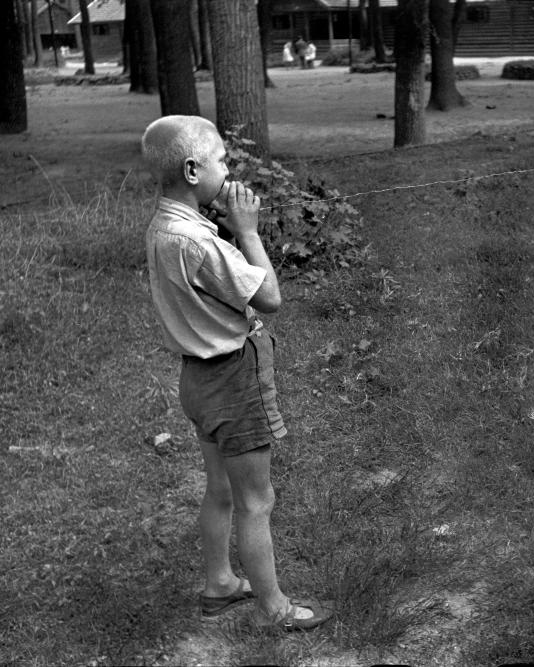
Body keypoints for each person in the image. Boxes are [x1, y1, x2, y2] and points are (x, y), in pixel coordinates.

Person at [141, 115, 333, 631]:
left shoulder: (165, 227)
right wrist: (247, 233)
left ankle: (220, 584)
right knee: (256, 500)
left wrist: (227, 229)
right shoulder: (202, 244)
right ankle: (275, 609)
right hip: (232, 380)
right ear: (191, 168)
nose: (228, 170)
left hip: (196, 381)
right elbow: (269, 299)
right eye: (222, 160)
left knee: (220, 490)